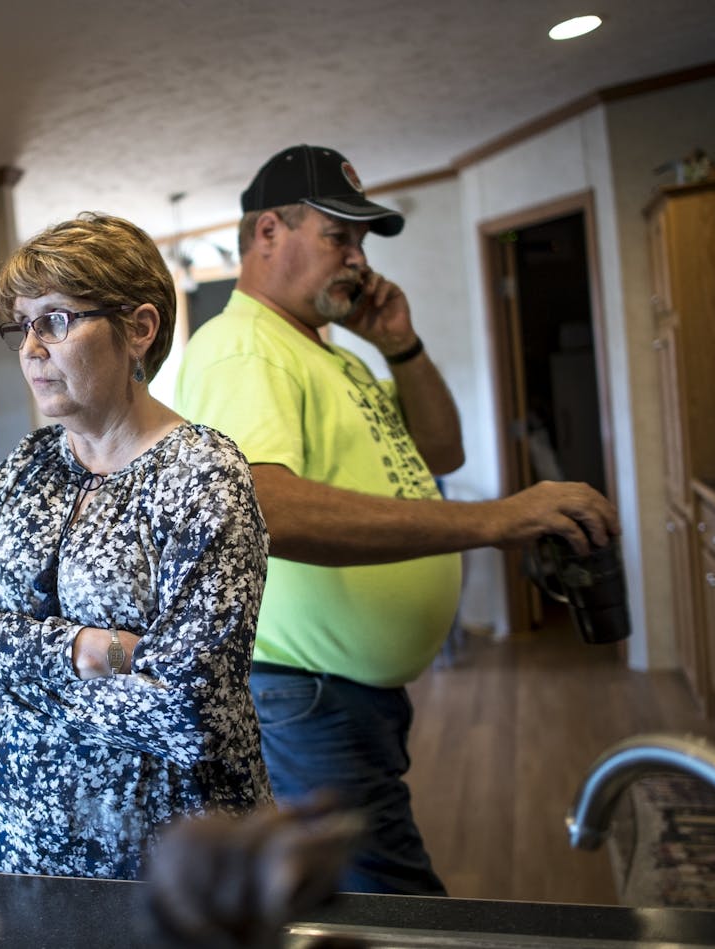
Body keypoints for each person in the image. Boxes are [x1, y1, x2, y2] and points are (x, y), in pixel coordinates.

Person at [174, 144, 620, 896]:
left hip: (348, 692)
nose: (357, 258)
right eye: (336, 237)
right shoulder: (242, 348)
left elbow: (442, 447)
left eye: (362, 242)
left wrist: (401, 346)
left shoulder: (330, 352)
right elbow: (265, 510)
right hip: (305, 694)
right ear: (268, 234)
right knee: (398, 908)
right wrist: (495, 519)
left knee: (363, 904)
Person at [0, 211, 272, 881]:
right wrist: (86, 650)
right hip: (15, 853)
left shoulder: (201, 473)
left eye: (54, 319)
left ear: (138, 328)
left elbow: (190, 711)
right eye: (20, 325)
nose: (30, 348)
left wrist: (7, 687)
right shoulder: (26, 464)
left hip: (167, 867)